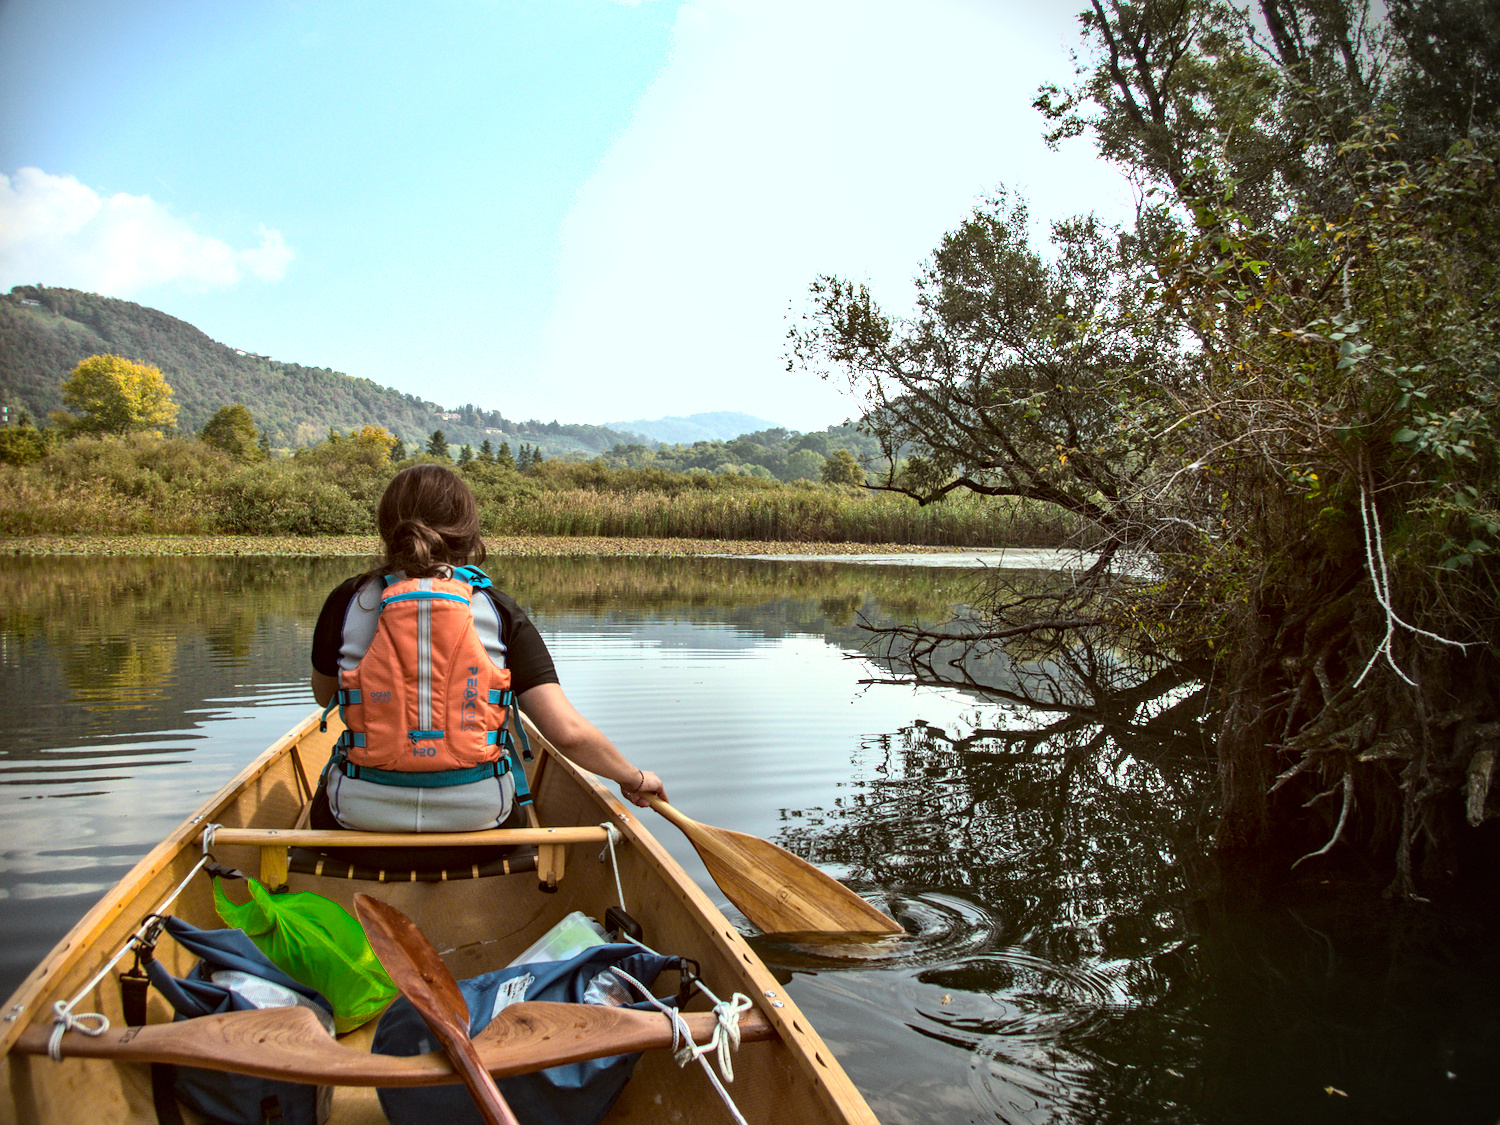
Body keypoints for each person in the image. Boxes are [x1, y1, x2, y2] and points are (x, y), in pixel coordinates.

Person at [309, 463, 665, 832]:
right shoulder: (497, 609)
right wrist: (634, 778)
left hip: (358, 817)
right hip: (481, 819)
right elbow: (567, 733)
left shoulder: (348, 601)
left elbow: (325, 696)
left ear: (387, 528)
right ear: (467, 531)